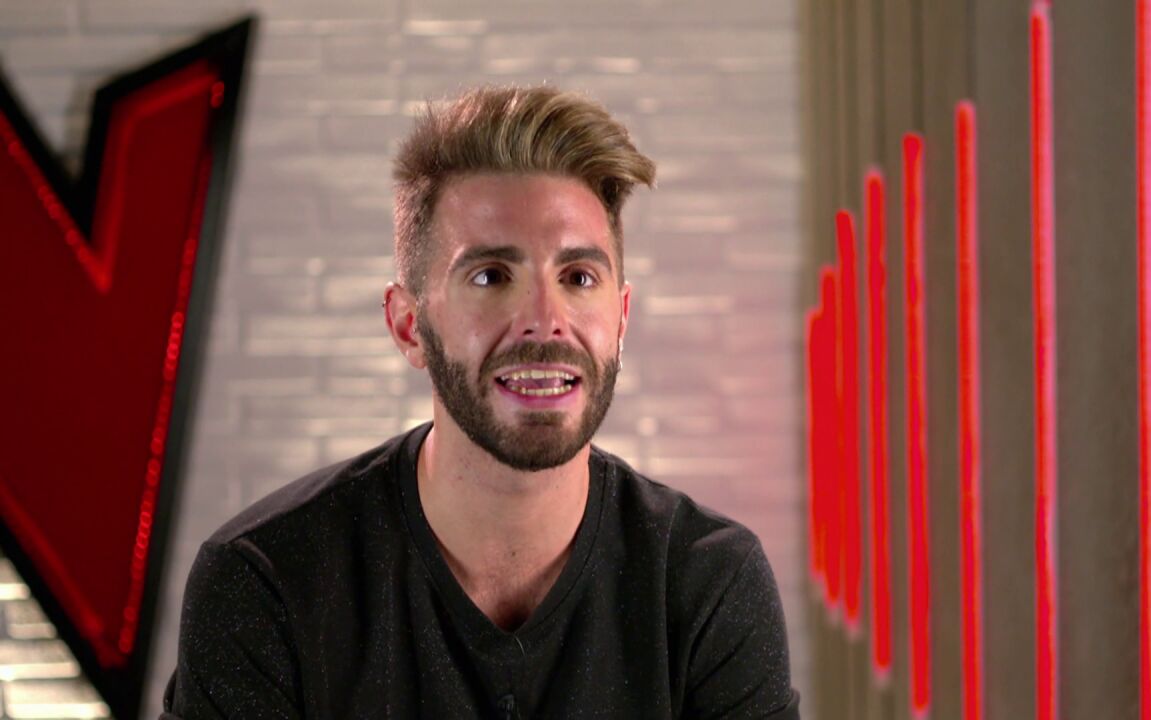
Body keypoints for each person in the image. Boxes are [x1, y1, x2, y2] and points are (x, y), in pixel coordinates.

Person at [163, 85, 799, 718]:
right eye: (491, 276)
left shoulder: (709, 583)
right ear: (409, 325)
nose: (545, 320)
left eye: (579, 278)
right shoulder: (268, 581)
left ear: (621, 317)